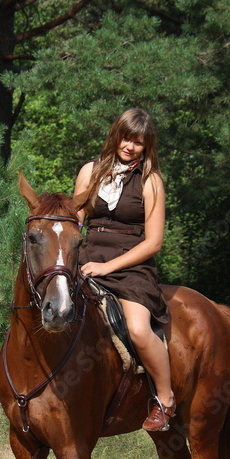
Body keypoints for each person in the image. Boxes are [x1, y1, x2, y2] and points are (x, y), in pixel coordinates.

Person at [73, 108, 175, 432]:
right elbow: (74, 222)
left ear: (147, 147)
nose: (130, 146)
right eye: (126, 137)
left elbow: (154, 242)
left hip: (131, 266)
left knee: (138, 330)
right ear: (116, 134)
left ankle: (165, 399)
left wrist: (108, 267)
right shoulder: (89, 172)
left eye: (139, 142)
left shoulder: (151, 181)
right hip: (87, 258)